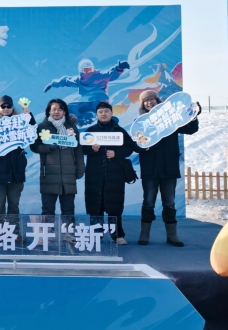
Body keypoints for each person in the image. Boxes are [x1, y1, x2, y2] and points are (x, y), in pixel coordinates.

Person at [136, 90, 200, 246]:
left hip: (169, 168)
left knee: (169, 203)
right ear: (142, 104)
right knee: (148, 203)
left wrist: (194, 115)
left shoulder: (171, 121)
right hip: (150, 170)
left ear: (158, 101)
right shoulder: (140, 122)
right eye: (146, 101)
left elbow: (190, 129)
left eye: (152, 99)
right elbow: (135, 144)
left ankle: (172, 236)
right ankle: (144, 234)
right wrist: (141, 147)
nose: (149, 102)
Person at [82, 102, 136, 245]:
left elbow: (129, 148)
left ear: (111, 113)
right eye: (100, 112)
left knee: (115, 206)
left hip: (115, 175)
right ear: (96, 114)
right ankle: (96, 234)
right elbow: (82, 149)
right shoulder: (91, 131)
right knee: (95, 205)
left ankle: (117, 235)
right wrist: (91, 149)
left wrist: (116, 153)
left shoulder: (119, 131)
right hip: (94, 174)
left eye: (106, 111)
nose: (103, 114)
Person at [30, 98, 84, 238]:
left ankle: (69, 234)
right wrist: (47, 147)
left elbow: (78, 150)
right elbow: (34, 146)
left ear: (64, 112)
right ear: (49, 111)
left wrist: (80, 169)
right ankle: (47, 234)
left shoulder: (72, 128)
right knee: (48, 208)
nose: (56, 112)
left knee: (68, 207)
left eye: (60, 109)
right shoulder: (41, 127)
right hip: (49, 173)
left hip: (68, 174)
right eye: (53, 109)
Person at [0, 95, 36, 243]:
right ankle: (1, 232)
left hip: (16, 173)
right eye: (3, 106)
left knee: (14, 205)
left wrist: (27, 113)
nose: (6, 109)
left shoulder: (20, 121)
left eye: (9, 106)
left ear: (12, 107)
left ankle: (14, 233)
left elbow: (33, 129)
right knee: (0, 204)